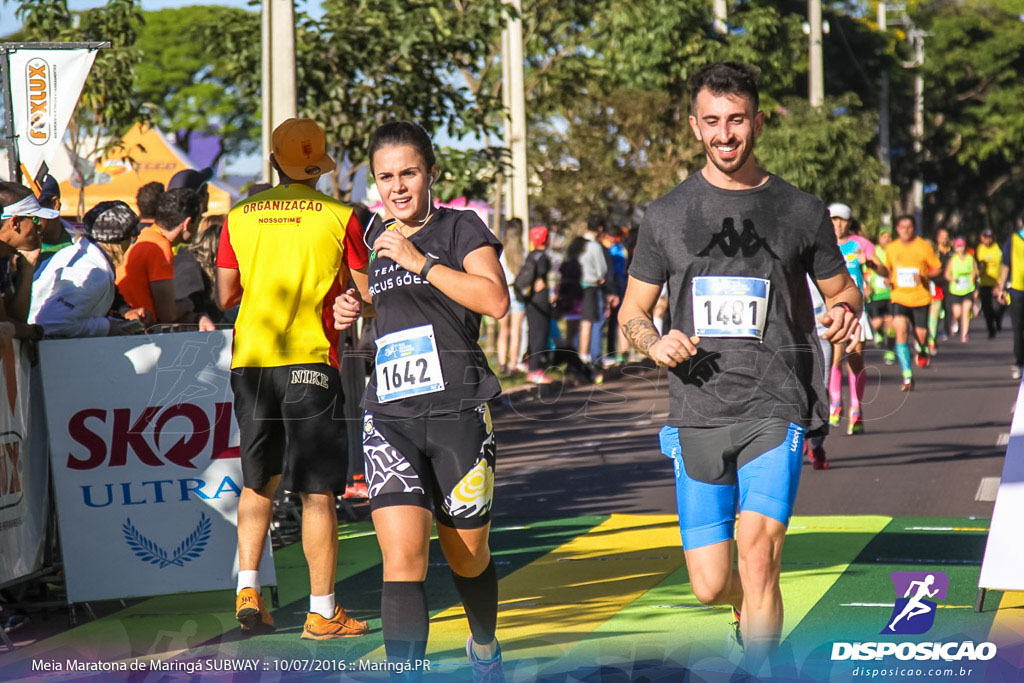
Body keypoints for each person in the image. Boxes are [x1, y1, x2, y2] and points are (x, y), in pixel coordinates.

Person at [618, 62, 861, 673]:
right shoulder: (666, 215)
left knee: (760, 556)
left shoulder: (799, 210)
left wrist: (843, 311)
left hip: (776, 404)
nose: (726, 135)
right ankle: (741, 611)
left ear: (756, 120)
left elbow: (843, 291)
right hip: (697, 408)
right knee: (710, 581)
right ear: (695, 126)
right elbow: (632, 311)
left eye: (737, 120)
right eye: (713, 122)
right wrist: (653, 343)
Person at [332, 121, 508, 681]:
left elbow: (495, 300)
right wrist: (351, 310)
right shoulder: (374, 237)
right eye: (386, 177)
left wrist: (421, 262)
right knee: (402, 557)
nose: (398, 187)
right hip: (390, 417)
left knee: (466, 556)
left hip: (457, 414)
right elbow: (376, 303)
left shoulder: (461, 228)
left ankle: (484, 643)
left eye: (408, 173)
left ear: (431, 173)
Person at [216, 117, 371, 639]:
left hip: (251, 362)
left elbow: (226, 294)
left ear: (274, 163)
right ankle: (323, 611)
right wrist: (345, 299)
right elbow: (368, 296)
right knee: (317, 492)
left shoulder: (238, 217)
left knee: (259, 482)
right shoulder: (341, 215)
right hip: (310, 359)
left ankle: (248, 592)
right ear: (320, 166)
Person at [29, 201, 150, 337]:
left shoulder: (77, 253)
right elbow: (50, 323)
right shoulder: (93, 273)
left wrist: (118, 320)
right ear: (121, 242)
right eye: (132, 239)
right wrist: (107, 326)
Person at [116, 188, 215, 330]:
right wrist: (190, 302)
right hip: (139, 334)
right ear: (187, 223)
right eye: (198, 220)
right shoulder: (160, 247)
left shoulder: (145, 234)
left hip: (127, 326)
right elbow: (168, 315)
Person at [826, 203, 879, 435]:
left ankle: (857, 409)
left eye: (842, 220)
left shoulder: (860, 244)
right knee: (835, 356)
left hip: (857, 312)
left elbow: (885, 270)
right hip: (832, 311)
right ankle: (836, 403)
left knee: (855, 360)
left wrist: (870, 262)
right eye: (833, 220)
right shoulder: (823, 244)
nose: (837, 225)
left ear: (849, 222)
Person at [882, 215, 941, 391]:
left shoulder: (924, 246)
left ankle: (922, 348)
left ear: (914, 228)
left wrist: (925, 276)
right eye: (902, 227)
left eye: (909, 227)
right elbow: (888, 270)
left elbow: (937, 268)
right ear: (897, 229)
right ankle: (907, 375)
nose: (905, 230)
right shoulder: (891, 248)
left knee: (920, 335)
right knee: (900, 330)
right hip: (899, 297)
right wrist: (887, 279)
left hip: (920, 297)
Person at [0, 182, 52, 345]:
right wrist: (33, 331)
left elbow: (15, 318)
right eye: (35, 220)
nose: (40, 228)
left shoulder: (3, 259)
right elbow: (5, 324)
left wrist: (29, 267)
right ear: (14, 223)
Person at [523, 225, 554, 384]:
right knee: (539, 335)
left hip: (530, 301)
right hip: (540, 301)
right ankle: (535, 370)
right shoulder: (543, 258)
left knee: (533, 333)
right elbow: (541, 278)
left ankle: (531, 365)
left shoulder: (530, 255)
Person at [996, 215, 1024, 379]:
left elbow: (1005, 265)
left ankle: (1019, 363)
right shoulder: (1012, 240)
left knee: (1018, 328)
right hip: (1016, 289)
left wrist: (1001, 289)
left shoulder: (1012, 240)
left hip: (1016, 289)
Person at [496, 218, 525, 375]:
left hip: (502, 291)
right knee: (516, 331)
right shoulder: (521, 252)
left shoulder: (500, 250)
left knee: (503, 330)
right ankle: (513, 365)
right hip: (517, 293)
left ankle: (502, 363)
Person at [577, 220, 608, 369]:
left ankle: (580, 354)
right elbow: (602, 269)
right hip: (591, 286)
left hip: (576, 286)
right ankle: (585, 355)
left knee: (577, 321)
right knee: (589, 321)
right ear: (599, 229)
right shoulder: (594, 246)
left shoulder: (576, 244)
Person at [867, 230, 896, 364]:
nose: (887, 240)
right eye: (884, 237)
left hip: (892, 293)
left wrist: (892, 279)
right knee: (877, 323)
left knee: (891, 323)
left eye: (889, 237)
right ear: (879, 239)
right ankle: (878, 332)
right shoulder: (873, 251)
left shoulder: (895, 252)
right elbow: (865, 269)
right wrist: (866, 285)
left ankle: (890, 351)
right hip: (876, 294)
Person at [944, 236, 978, 343]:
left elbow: (976, 271)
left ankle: (964, 334)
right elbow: (947, 275)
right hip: (956, 289)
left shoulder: (970, 258)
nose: (960, 248)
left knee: (966, 311)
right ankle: (956, 321)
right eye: (958, 246)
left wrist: (973, 274)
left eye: (962, 246)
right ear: (955, 248)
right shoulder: (952, 260)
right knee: (957, 312)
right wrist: (954, 279)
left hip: (968, 288)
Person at [976, 228, 1003, 338]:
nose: (987, 240)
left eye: (989, 237)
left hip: (996, 282)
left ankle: (997, 320)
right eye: (985, 237)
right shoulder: (980, 249)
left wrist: (1001, 282)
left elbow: (1002, 265)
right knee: (987, 308)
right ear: (981, 238)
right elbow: (976, 265)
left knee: (997, 307)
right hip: (984, 283)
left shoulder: (997, 248)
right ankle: (991, 330)